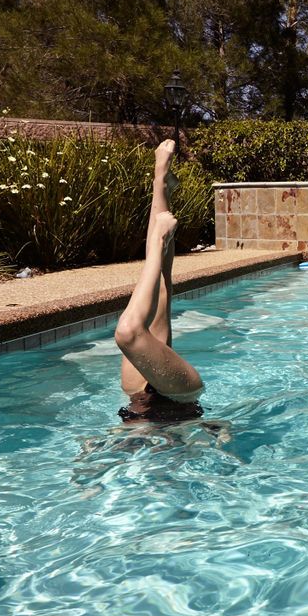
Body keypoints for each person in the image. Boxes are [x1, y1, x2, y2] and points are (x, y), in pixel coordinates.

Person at [114, 139, 205, 423]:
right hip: (180, 395)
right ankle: (159, 227)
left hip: (138, 396)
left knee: (159, 290)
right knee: (159, 291)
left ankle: (161, 182)